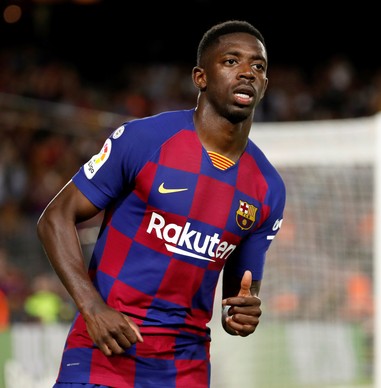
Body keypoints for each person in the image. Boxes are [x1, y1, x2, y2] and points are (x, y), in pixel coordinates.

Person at [36, 20, 286, 388]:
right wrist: (91, 307)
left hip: (184, 369)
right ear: (200, 77)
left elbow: (239, 295)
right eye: (231, 61)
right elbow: (55, 217)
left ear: (265, 84)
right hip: (103, 353)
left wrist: (242, 315)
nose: (248, 72)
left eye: (258, 66)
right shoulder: (145, 140)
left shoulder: (268, 188)